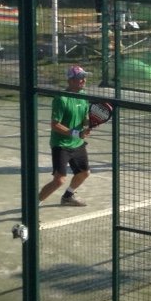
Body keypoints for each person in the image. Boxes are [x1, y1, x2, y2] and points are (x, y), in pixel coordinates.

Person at [38, 65, 92, 207]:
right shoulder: (61, 99)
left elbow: (85, 118)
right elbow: (55, 124)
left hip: (77, 143)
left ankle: (68, 197)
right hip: (61, 144)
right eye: (80, 78)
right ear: (71, 80)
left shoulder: (83, 96)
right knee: (59, 180)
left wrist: (89, 124)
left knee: (84, 173)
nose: (84, 80)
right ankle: (33, 204)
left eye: (84, 77)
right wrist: (77, 133)